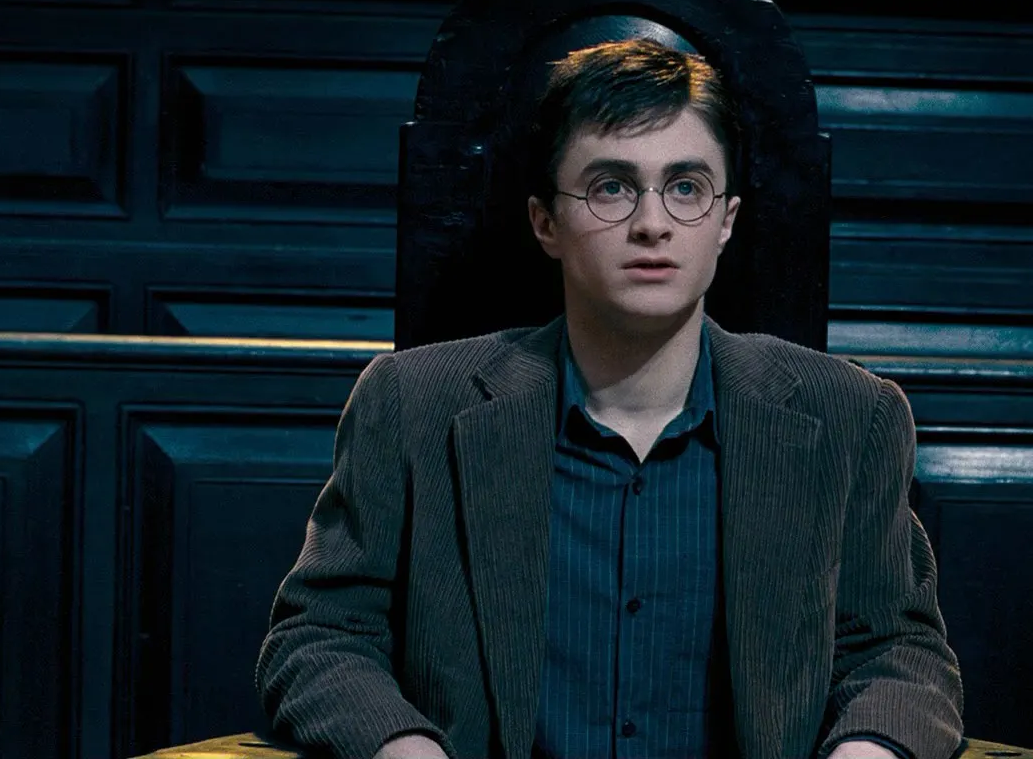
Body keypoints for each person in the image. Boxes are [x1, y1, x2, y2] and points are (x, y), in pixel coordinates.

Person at [256, 38, 963, 759]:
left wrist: (867, 750)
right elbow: (319, 635)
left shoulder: (848, 417)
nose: (652, 223)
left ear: (726, 221)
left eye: (685, 187)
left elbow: (898, 653)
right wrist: (402, 747)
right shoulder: (413, 406)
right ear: (546, 222)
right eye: (612, 187)